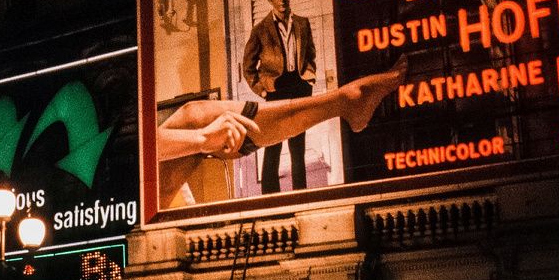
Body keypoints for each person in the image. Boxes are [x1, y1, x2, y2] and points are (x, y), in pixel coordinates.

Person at [156, 55, 409, 209]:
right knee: (193, 120)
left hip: (151, 197)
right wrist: (202, 139)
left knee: (194, 116)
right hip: (135, 209)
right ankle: (344, 101)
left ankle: (344, 102)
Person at [241, 0, 316, 192]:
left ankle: (301, 194)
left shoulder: (303, 23)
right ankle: (270, 198)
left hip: (299, 87)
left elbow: (310, 54)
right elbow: (248, 66)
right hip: (276, 90)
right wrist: (262, 91)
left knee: (298, 146)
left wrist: (309, 78)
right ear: (269, 0)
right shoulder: (261, 29)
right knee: (273, 145)